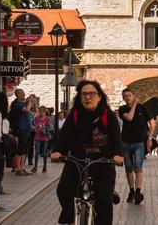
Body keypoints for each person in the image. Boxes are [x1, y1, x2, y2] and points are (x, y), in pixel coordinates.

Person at [51, 80, 124, 225]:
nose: (87, 97)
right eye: (84, 94)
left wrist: (118, 155)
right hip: (77, 161)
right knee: (63, 190)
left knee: (104, 198)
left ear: (99, 97)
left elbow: (116, 137)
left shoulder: (108, 116)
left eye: (91, 94)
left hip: (102, 162)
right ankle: (71, 219)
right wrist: (58, 152)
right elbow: (64, 135)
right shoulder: (75, 115)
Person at [118, 88, 155, 204]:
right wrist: (134, 105)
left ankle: (138, 192)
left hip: (139, 142)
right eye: (125, 96)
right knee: (129, 168)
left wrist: (149, 138)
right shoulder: (122, 109)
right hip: (126, 142)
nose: (128, 97)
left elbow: (152, 123)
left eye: (129, 95)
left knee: (138, 168)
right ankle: (131, 191)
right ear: (123, 98)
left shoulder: (142, 108)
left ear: (133, 96)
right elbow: (129, 117)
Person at [9, 89, 34, 175]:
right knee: (19, 149)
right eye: (22, 93)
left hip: (27, 129)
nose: (24, 94)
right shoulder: (17, 105)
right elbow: (27, 110)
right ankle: (17, 168)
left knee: (24, 150)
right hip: (21, 129)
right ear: (18, 95)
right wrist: (29, 101)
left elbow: (31, 110)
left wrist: (29, 101)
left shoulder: (23, 104)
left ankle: (22, 167)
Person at [34, 106, 54, 173]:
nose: (41, 112)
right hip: (38, 137)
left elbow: (51, 128)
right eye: (40, 111)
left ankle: (44, 167)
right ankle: (35, 167)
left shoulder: (48, 119)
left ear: (45, 112)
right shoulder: (36, 118)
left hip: (45, 137)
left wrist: (45, 129)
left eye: (42, 111)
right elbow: (34, 125)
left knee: (45, 153)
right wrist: (36, 129)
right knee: (37, 152)